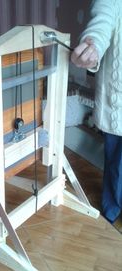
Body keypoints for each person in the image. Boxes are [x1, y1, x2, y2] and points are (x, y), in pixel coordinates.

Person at [71, 0, 122, 224]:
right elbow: (102, 22)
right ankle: (111, 213)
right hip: (119, 101)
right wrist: (92, 45)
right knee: (117, 164)